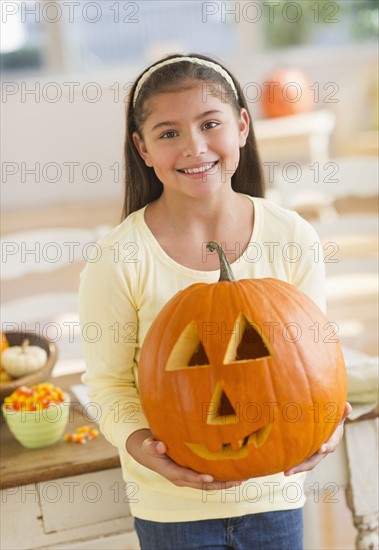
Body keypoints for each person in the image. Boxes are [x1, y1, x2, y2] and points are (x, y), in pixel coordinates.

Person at [79, 53, 351, 550]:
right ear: (142, 148)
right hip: (171, 508)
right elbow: (108, 384)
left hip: (276, 496)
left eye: (210, 124)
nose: (194, 147)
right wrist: (144, 447)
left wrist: (327, 424)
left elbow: (318, 361)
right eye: (168, 133)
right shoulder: (118, 257)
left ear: (242, 126)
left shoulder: (291, 237)